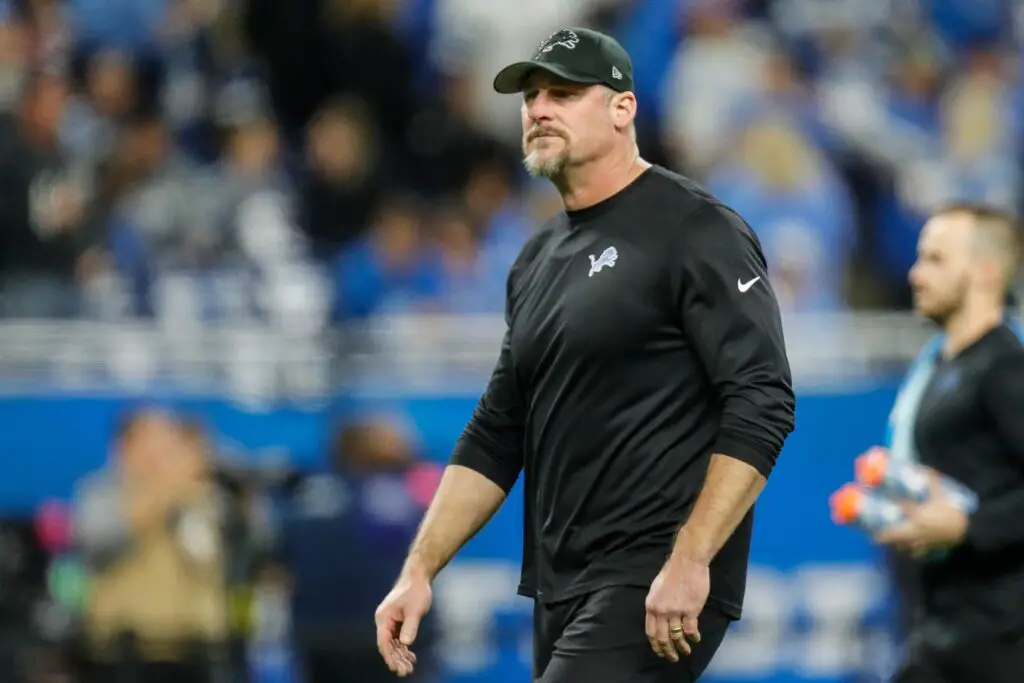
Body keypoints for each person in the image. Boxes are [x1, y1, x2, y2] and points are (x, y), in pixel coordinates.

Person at [374, 27, 796, 683]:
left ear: (623, 108)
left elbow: (762, 397)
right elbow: (497, 429)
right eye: (531, 96)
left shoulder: (695, 228)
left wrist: (692, 556)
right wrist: (418, 569)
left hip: (654, 573)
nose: (539, 108)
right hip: (560, 582)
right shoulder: (537, 257)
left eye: (564, 94)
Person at [868, 204, 1024, 683]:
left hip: (1005, 637)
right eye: (919, 258)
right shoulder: (939, 368)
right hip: (943, 629)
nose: (915, 274)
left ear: (985, 272)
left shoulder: (1005, 368)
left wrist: (967, 525)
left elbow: (965, 518)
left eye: (935, 260)